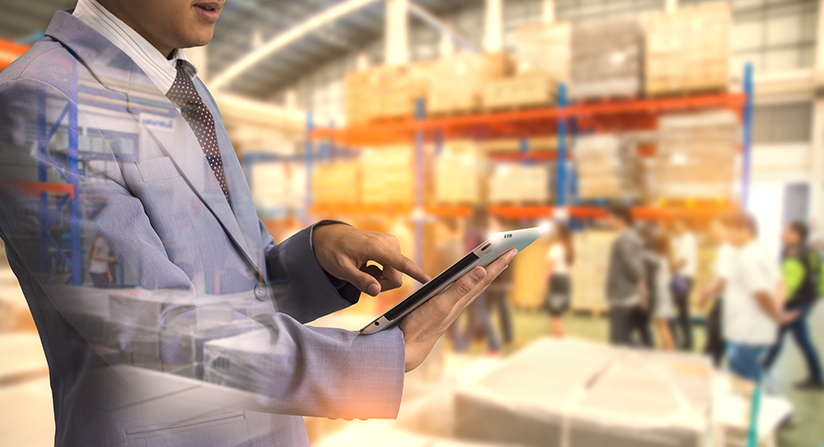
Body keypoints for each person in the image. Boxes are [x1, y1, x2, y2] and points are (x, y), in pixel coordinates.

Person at [0, 2, 519, 445]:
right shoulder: (42, 99)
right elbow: (149, 330)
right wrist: (377, 360)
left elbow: (234, 290)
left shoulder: (185, 90)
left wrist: (316, 254)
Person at [712, 212, 796, 384]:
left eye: (729, 231)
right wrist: (777, 312)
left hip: (747, 332)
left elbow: (761, 293)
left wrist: (776, 316)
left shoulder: (748, 257)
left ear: (745, 230)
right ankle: (767, 407)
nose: (726, 236)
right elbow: (780, 284)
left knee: (747, 381)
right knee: (747, 375)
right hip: (753, 329)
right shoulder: (761, 250)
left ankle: (774, 410)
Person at [762, 221, 824, 390]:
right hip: (804, 302)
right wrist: (816, 297)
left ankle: (817, 378)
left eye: (786, 231)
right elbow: (821, 275)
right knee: (787, 338)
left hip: (794, 304)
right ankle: (764, 368)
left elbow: (788, 285)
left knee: (790, 338)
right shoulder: (811, 252)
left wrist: (776, 307)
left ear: (796, 235)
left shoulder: (796, 255)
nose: (782, 234)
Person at [604, 203, 651, 347]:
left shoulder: (624, 238)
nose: (608, 220)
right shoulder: (633, 237)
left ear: (621, 219)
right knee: (625, 337)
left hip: (622, 295)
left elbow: (633, 265)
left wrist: (641, 284)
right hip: (630, 294)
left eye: (611, 217)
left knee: (618, 341)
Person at [462, 209, 502, 354]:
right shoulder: (484, 233)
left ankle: (495, 344)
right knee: (474, 314)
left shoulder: (472, 233)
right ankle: (463, 346)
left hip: (473, 276)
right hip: (482, 275)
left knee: (479, 312)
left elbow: (468, 255)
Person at [699, 219, 732, 367]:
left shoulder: (727, 250)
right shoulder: (724, 249)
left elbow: (723, 284)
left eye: (715, 228)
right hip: (722, 304)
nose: (712, 233)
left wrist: (707, 292)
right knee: (714, 346)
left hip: (725, 305)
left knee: (713, 348)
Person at [644, 230, 676, 351]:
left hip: (659, 294)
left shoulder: (657, 260)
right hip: (664, 293)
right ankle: (666, 349)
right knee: (662, 325)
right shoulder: (666, 258)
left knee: (662, 325)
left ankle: (669, 350)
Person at [670, 219, 697, 350]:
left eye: (678, 224)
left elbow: (682, 261)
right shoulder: (680, 239)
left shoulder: (688, 239)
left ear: (685, 224)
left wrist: (667, 268)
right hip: (683, 278)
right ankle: (688, 342)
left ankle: (674, 340)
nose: (676, 226)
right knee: (683, 311)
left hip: (682, 278)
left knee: (668, 308)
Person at [545, 220, 574, 338]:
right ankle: (556, 339)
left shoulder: (556, 248)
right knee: (555, 314)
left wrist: (544, 280)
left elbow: (550, 268)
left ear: (559, 232)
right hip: (565, 281)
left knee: (554, 315)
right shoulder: (568, 247)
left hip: (556, 281)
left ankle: (562, 339)